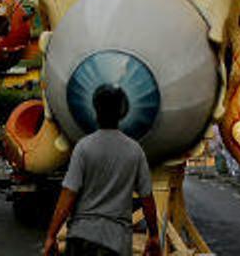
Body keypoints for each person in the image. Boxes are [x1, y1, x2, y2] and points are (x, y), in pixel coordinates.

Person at [43, 86, 160, 256]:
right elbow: (147, 197)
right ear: (121, 113)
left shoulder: (83, 147)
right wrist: (154, 235)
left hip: (81, 238)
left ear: (96, 112)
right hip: (116, 242)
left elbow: (68, 194)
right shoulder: (135, 151)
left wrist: (51, 235)